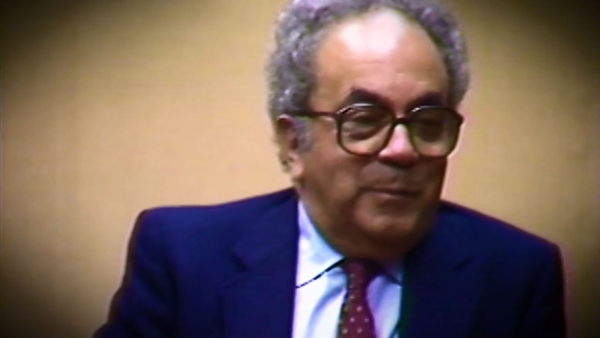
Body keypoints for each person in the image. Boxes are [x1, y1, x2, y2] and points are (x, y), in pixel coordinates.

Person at [95, 0, 566, 337]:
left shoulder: (514, 275)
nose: (403, 151)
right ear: (292, 143)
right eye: (363, 121)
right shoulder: (184, 257)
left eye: (428, 122)